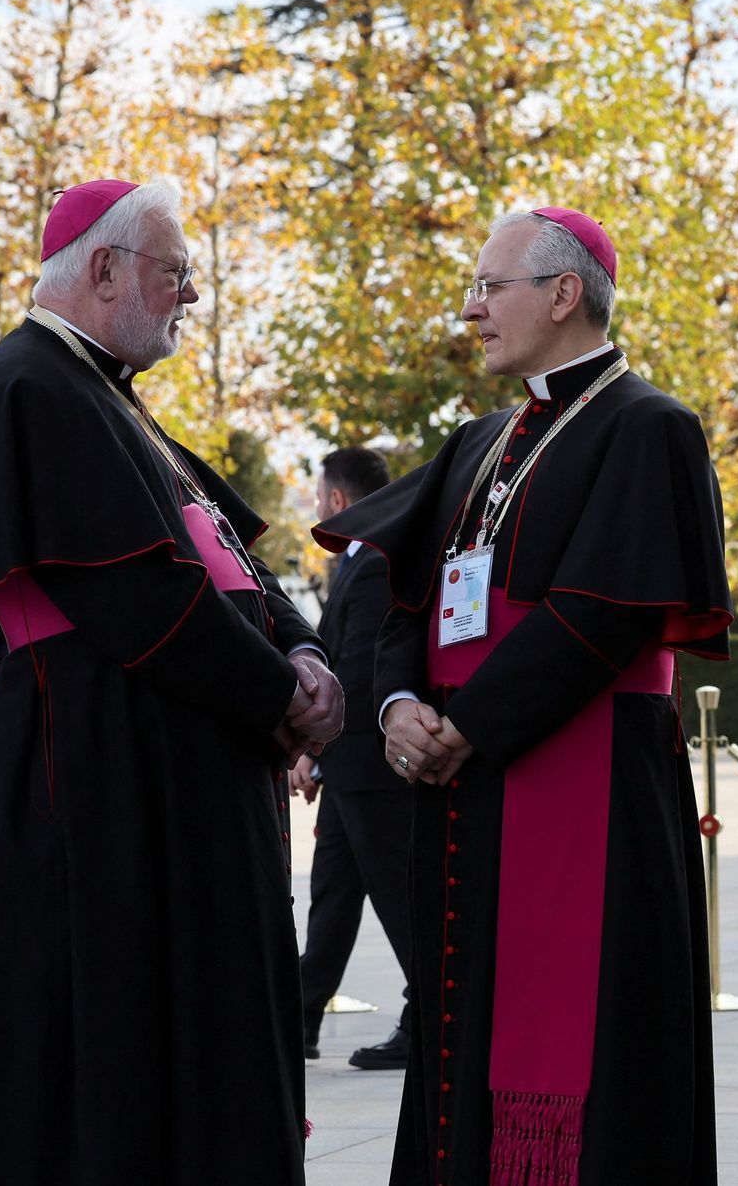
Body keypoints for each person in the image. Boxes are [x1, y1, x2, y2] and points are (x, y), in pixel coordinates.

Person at [0, 178, 344, 1183]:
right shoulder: (28, 385)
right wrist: (281, 701)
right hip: (98, 770)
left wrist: (305, 652)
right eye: (175, 272)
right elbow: (140, 600)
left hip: (167, 760)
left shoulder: (106, 397)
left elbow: (232, 559)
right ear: (103, 269)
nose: (189, 295)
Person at [314, 206, 732, 1185]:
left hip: (584, 769)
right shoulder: (478, 440)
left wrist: (467, 724)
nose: (471, 310)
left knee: (589, 1023)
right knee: (468, 1013)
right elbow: (405, 595)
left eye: (488, 287)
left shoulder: (649, 426)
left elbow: (603, 612)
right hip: (469, 781)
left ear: (562, 292)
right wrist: (398, 705)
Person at [295, 446, 415, 1069]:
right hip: (350, 767)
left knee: (397, 895)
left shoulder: (374, 564)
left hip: (371, 767)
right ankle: (302, 1016)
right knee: (334, 893)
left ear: (338, 502)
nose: (317, 510)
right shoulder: (364, 560)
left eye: (318, 498)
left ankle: (429, 1014)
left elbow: (360, 670)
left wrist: (312, 744)